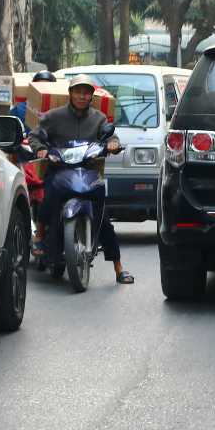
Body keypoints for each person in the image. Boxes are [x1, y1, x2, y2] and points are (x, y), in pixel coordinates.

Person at [29, 74, 134, 285]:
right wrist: (41, 150)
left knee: (103, 219)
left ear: (91, 96)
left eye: (86, 92)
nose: (82, 96)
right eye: (78, 91)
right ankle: (39, 235)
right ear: (70, 93)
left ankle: (119, 267)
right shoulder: (53, 116)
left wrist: (113, 144)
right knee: (49, 195)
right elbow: (35, 135)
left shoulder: (99, 119)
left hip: (89, 171)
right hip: (60, 169)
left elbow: (111, 137)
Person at [10, 71, 56, 259]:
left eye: (48, 85)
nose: (43, 88)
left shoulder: (61, 109)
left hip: (54, 161)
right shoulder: (20, 110)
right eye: (40, 84)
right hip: (26, 161)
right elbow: (10, 131)